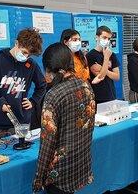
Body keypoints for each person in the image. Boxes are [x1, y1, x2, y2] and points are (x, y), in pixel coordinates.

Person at [33, 43, 96, 194]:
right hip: (80, 163)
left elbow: (47, 142)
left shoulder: (53, 95)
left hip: (59, 174)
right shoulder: (85, 86)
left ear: (48, 69)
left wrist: (38, 178)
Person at [0, 28, 46, 131]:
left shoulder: (31, 65)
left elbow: (42, 85)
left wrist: (33, 101)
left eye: (29, 55)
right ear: (17, 43)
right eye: (24, 52)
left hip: (22, 122)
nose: (26, 57)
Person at [86, 26, 120, 103]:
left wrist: (102, 68)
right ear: (97, 37)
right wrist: (106, 58)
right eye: (104, 37)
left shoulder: (112, 54)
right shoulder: (90, 56)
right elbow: (101, 76)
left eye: (109, 39)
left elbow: (117, 76)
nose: (107, 41)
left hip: (111, 95)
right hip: (98, 97)